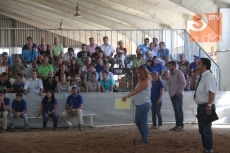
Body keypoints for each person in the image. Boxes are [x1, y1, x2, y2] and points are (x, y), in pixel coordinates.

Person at [190, 58, 216, 153]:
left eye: (199, 63)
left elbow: (211, 92)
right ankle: (206, 148)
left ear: (204, 66)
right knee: (202, 130)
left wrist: (209, 104)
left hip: (206, 106)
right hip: (201, 106)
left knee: (206, 130)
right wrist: (193, 77)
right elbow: (192, 87)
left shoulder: (209, 76)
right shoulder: (201, 76)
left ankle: (209, 149)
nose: (197, 64)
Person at [122, 66, 151, 145]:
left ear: (142, 73)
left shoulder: (145, 81)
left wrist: (127, 96)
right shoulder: (141, 81)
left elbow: (137, 90)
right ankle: (144, 138)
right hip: (140, 104)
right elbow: (138, 92)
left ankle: (145, 140)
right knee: (138, 122)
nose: (137, 74)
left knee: (142, 122)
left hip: (143, 104)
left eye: (138, 72)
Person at [168, 61, 186, 132]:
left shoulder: (179, 72)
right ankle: (177, 125)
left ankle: (181, 125)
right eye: (168, 65)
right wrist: (170, 92)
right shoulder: (170, 73)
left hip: (178, 94)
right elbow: (170, 83)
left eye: (170, 65)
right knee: (176, 110)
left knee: (178, 109)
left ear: (174, 65)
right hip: (173, 94)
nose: (169, 67)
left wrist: (179, 91)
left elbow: (183, 82)